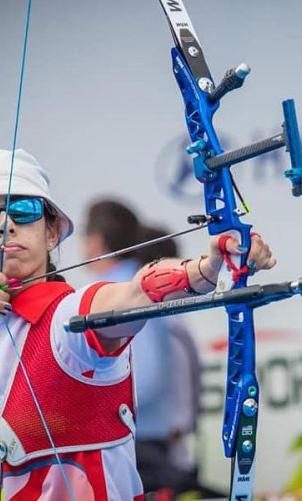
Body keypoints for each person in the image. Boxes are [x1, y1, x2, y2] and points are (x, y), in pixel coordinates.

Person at [0, 149, 276, 500]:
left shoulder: (69, 317)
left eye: (23, 209)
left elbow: (135, 292)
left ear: (52, 232)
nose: (5, 224)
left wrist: (210, 264)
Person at [83, 204, 210, 495]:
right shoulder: (122, 286)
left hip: (139, 446)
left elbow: (147, 377)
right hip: (139, 442)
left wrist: (87, 412)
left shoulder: (124, 287)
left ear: (97, 241)